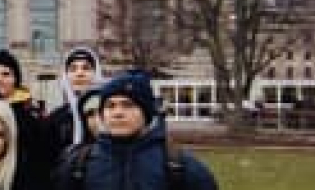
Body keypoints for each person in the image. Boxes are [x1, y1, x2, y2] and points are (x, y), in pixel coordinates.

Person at [59, 73, 216, 190]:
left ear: (146, 113)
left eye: (128, 105)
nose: (117, 113)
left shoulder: (180, 166)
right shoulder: (78, 165)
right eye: (110, 106)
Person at [41, 49, 102, 160]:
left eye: (86, 68)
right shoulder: (56, 118)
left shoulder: (107, 112)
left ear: (96, 73)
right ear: (66, 75)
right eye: (73, 69)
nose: (80, 73)